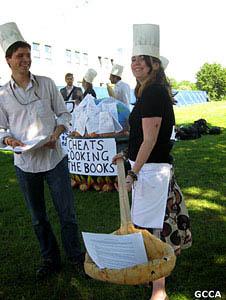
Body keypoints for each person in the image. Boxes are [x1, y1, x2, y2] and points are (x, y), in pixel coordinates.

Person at [0, 22, 84, 280]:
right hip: (25, 165)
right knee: (38, 218)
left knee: (67, 214)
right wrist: (10, 141)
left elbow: (64, 114)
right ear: (8, 60)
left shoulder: (47, 84)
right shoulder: (2, 94)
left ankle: (77, 258)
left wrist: (57, 133)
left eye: (28, 55)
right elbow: (1, 129)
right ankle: (50, 259)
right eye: (20, 56)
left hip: (54, 157)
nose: (26, 60)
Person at [113, 24, 191, 300]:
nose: (134, 63)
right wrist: (126, 155)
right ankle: (153, 280)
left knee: (155, 231)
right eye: (132, 58)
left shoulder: (154, 92)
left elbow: (150, 140)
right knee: (147, 227)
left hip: (152, 172)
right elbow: (142, 137)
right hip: (147, 168)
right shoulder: (146, 91)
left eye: (139, 58)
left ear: (153, 64)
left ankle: (159, 290)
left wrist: (132, 172)